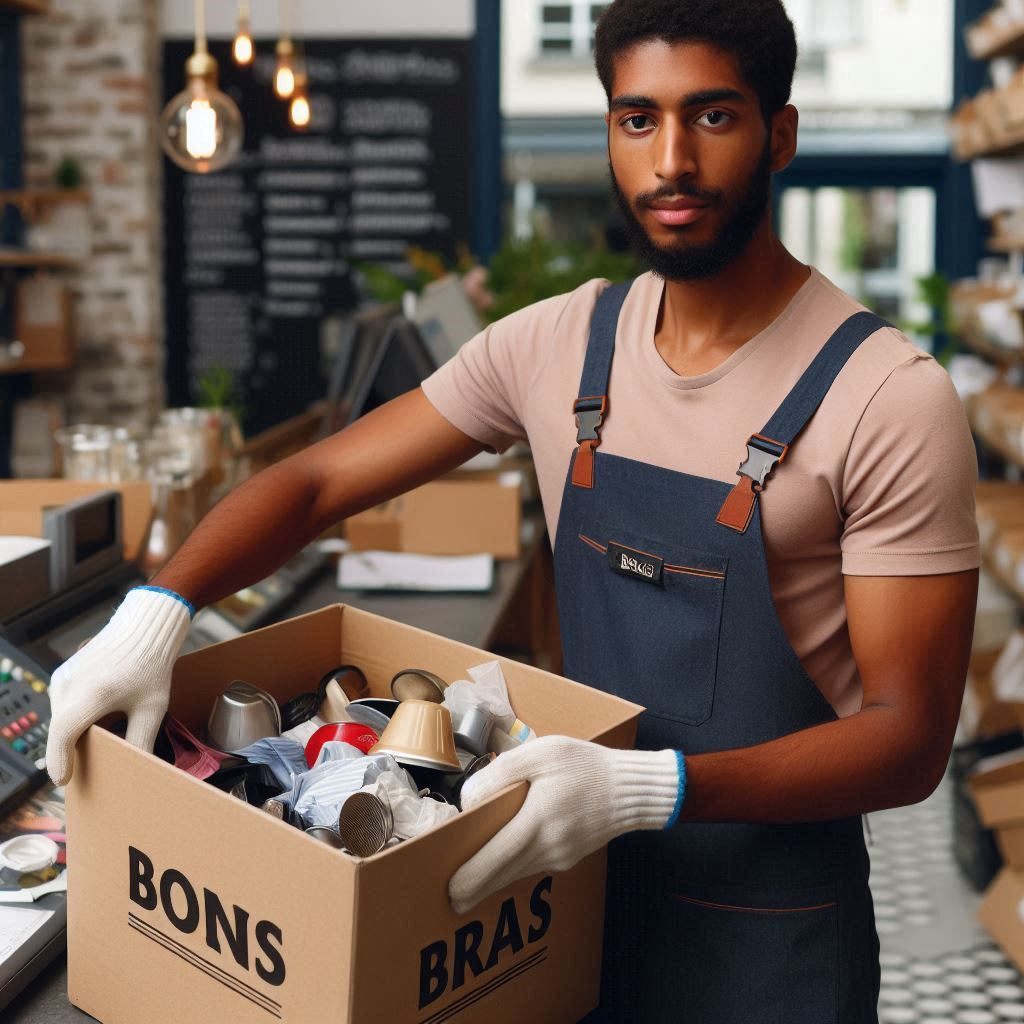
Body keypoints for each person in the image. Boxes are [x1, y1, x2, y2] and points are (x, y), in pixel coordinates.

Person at [47, 0, 979, 1019]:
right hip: (555, 902)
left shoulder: (886, 396)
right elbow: (313, 483)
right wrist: (156, 612)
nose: (670, 159)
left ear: (778, 133)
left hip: (770, 939)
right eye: (637, 118)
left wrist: (648, 789)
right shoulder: (555, 348)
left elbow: (910, 737)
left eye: (711, 116)